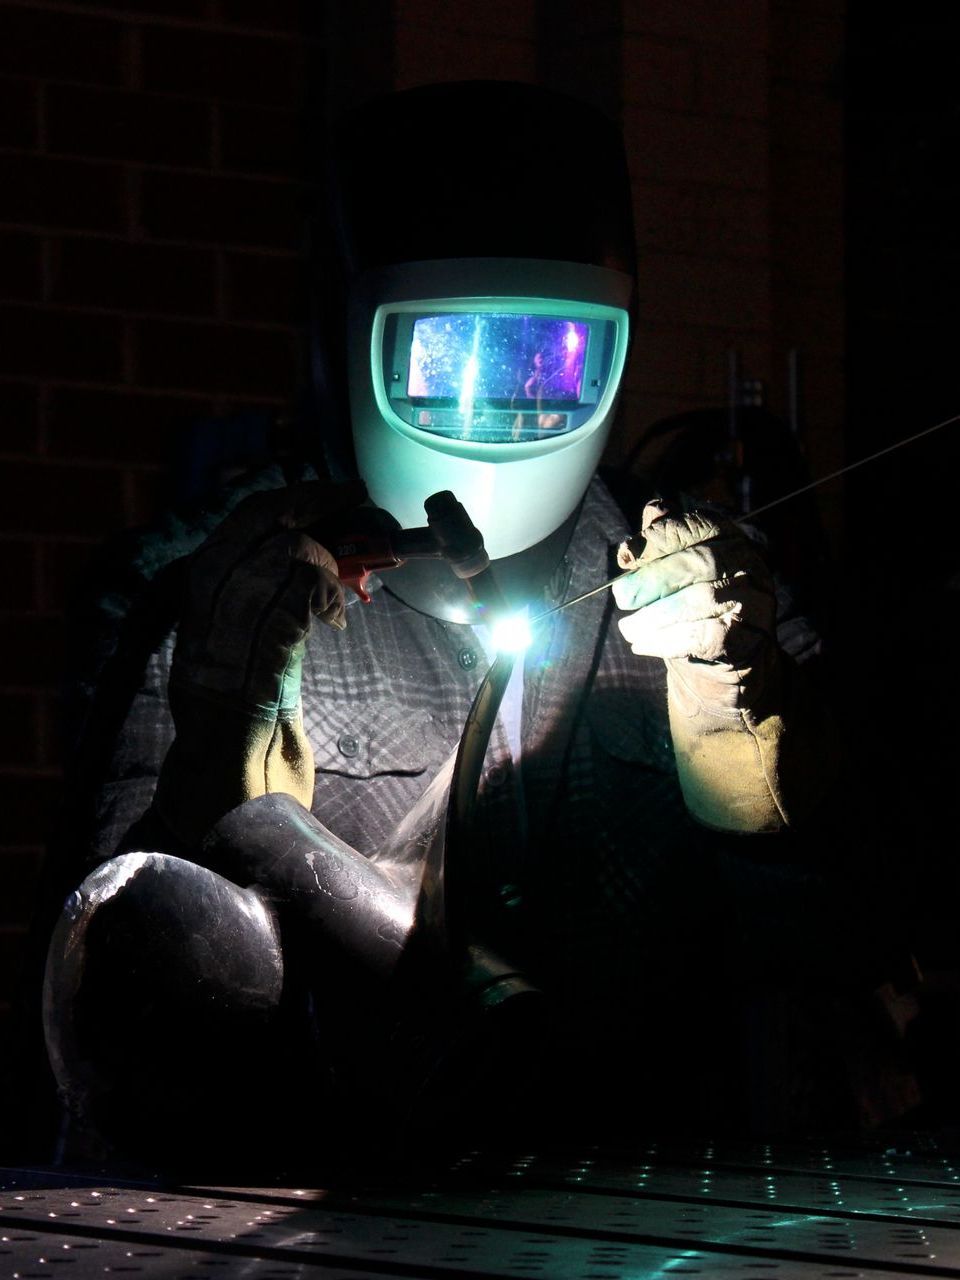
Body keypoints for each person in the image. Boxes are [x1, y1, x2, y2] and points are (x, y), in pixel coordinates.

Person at [41, 83, 841, 1166]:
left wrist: (756, 807)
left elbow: (850, 978)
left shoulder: (719, 603)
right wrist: (216, 779)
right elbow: (119, 1015)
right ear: (346, 335)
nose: (493, 401)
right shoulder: (205, 591)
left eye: (546, 360)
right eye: (443, 358)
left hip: (648, 1205)